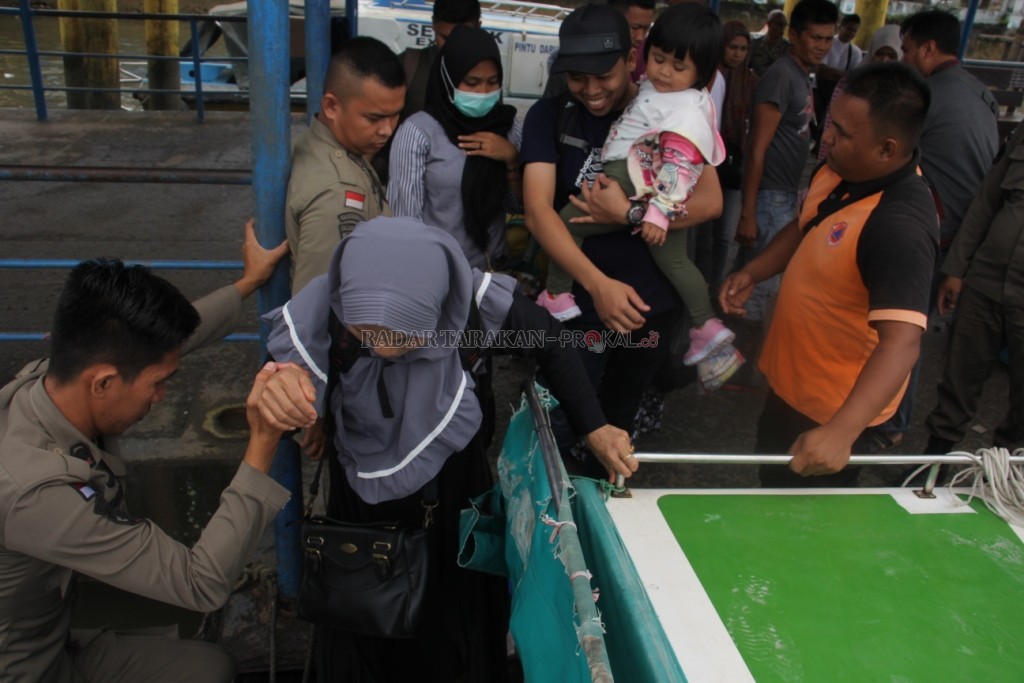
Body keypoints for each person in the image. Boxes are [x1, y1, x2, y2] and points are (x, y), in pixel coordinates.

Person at [255, 217, 637, 681]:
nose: (383, 345)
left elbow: (552, 342)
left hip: (453, 494)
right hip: (358, 492)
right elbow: (292, 368)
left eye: (401, 333)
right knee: (364, 597)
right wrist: (302, 410)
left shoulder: (469, 313)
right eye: (367, 331)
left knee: (449, 609)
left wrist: (594, 427)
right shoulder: (331, 303)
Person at [0, 223, 291, 682]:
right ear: (102, 383)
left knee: (209, 667)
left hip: (55, 639)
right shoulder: (36, 493)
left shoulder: (50, 378)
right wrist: (262, 440)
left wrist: (246, 285)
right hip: (28, 670)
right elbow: (201, 583)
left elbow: (158, 347)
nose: (160, 398)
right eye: (158, 385)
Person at [519, 3, 723, 473]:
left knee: (619, 424)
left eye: (604, 76)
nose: (591, 90)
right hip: (581, 308)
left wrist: (630, 212)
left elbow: (710, 203)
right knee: (566, 423)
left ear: (633, 56)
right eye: (576, 78)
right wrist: (596, 285)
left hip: (649, 307)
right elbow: (537, 211)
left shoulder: (668, 106)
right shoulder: (550, 117)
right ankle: (554, 530)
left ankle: (600, 522)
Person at [720, 62, 938, 487]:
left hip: (832, 411)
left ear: (887, 149)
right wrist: (753, 271)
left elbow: (902, 342)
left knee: (804, 521)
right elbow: (806, 224)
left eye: (844, 132)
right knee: (770, 488)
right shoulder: (838, 169)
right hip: (789, 385)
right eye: (831, 123)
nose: (828, 138)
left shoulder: (899, 225)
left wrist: (841, 432)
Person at [536, 4, 741, 388]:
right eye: (659, 59)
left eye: (677, 67)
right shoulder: (666, 93)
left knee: (569, 221)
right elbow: (534, 211)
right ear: (644, 52)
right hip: (644, 192)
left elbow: (685, 174)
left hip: (631, 176)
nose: (664, 72)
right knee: (675, 259)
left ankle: (556, 295)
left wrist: (645, 213)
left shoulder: (685, 113)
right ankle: (705, 325)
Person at [871, 9, 1000, 449]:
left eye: (907, 50)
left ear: (927, 48)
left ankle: (888, 421)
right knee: (913, 329)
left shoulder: (925, 96)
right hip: (962, 240)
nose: (904, 59)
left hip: (935, 236)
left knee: (899, 331)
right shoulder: (980, 93)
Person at [731, 0, 838, 387]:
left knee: (764, 287)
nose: (822, 45)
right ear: (795, 35)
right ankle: (737, 372)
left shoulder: (804, 76)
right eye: (815, 37)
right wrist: (747, 211)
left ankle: (741, 367)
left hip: (785, 194)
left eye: (828, 38)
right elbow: (757, 147)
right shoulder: (781, 76)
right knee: (756, 287)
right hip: (769, 197)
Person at [923, 122, 1024, 456]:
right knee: (957, 382)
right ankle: (933, 470)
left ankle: (1005, 480)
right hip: (985, 281)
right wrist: (957, 268)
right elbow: (987, 200)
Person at [388, 24, 522, 271]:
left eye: (493, 82)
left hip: (494, 276)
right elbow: (404, 222)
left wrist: (511, 159)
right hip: (438, 275)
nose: (483, 92)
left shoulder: (508, 126)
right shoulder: (418, 132)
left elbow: (518, 206)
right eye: (472, 83)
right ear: (448, 78)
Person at [286, 37, 405, 294]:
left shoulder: (332, 146)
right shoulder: (337, 194)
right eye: (374, 118)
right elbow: (317, 310)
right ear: (331, 106)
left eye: (395, 115)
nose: (387, 130)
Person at [374, 0, 482, 184]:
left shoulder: (486, 75)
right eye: (445, 38)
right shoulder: (408, 67)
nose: (453, 47)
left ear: (479, 27)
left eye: (462, 38)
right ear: (433, 24)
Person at [713, 20, 758, 292]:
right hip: (709, 164)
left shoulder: (751, 82)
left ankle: (717, 286)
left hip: (733, 167)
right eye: (732, 47)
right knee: (702, 234)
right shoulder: (709, 75)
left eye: (743, 48)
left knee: (725, 235)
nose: (737, 53)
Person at [817, 24, 902, 163]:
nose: (884, 60)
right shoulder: (850, 82)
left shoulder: (905, 91)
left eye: (892, 55)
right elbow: (832, 124)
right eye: (880, 54)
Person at [814, 13, 862, 146]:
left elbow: (852, 76)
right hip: (819, 89)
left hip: (837, 93)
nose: (851, 33)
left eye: (854, 30)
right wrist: (840, 74)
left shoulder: (855, 52)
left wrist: (834, 73)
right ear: (841, 26)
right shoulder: (828, 43)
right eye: (849, 29)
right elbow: (821, 69)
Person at [749, 9, 790, 77]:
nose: (782, 28)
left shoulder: (787, 47)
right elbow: (746, 66)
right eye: (779, 24)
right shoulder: (755, 44)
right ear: (769, 24)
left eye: (785, 25)